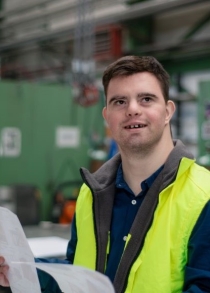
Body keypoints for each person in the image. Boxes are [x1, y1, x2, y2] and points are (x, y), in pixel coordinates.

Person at [1, 55, 210, 292]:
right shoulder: (90, 194)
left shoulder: (203, 196)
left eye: (146, 99)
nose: (132, 109)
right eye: (119, 101)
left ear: (168, 112)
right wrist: (21, 270)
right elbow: (77, 274)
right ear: (107, 116)